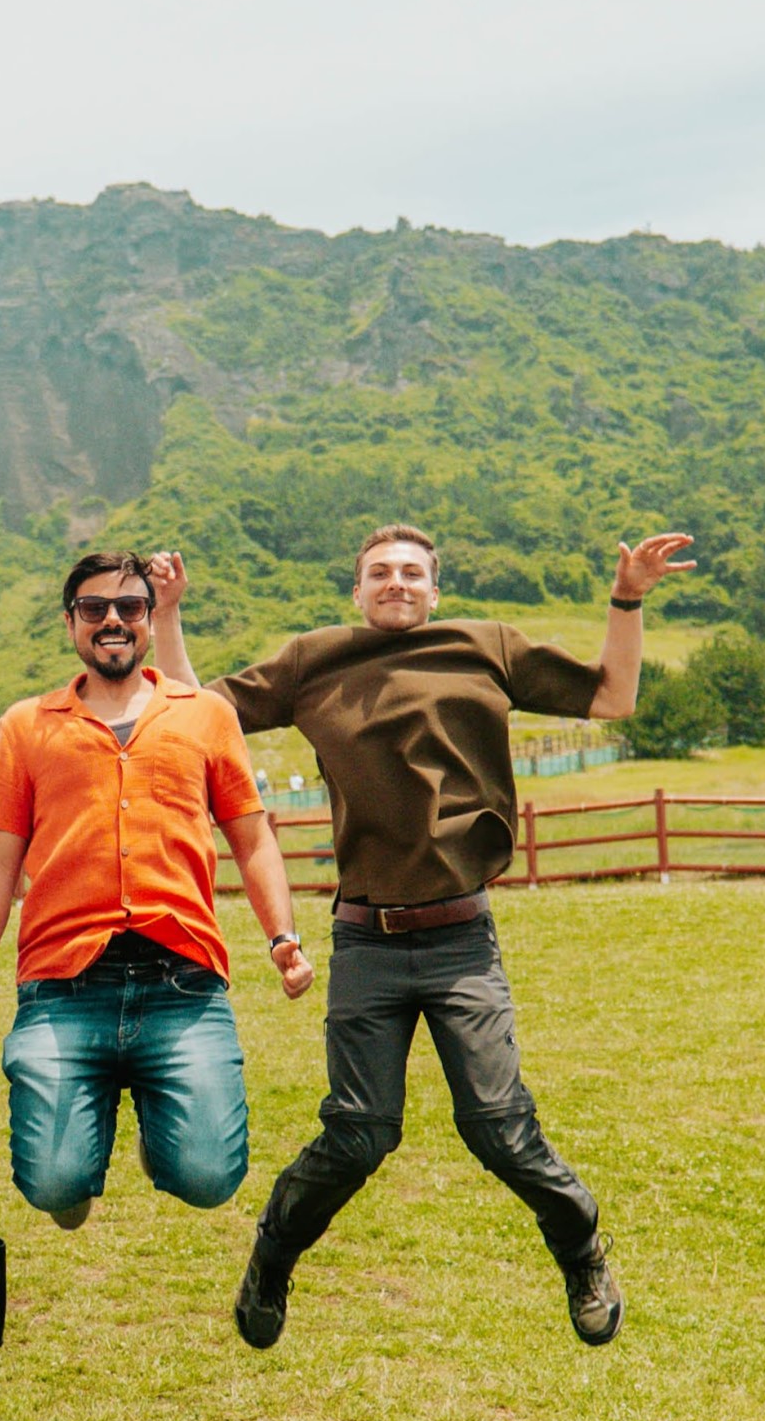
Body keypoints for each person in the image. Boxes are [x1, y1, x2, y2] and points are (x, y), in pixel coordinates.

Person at [151, 526, 694, 1352]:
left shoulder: (485, 647)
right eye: (379, 573)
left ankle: (581, 1250)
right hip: (364, 938)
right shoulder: (313, 660)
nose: (395, 583)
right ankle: (271, 1257)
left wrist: (626, 599)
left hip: (459, 936)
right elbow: (192, 716)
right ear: (357, 590)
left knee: (500, 1127)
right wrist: (165, 615)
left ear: (436, 589)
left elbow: (613, 696)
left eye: (411, 573)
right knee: (358, 1132)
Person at [0, 551, 314, 1229]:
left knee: (208, 1178)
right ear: (70, 623)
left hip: (179, 979)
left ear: (150, 621)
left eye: (129, 608)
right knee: (53, 1183)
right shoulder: (27, 724)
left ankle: (163, 1134)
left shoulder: (203, 714)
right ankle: (72, 1171)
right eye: (94, 608)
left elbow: (251, 835)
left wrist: (283, 938)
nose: (112, 620)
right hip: (63, 982)